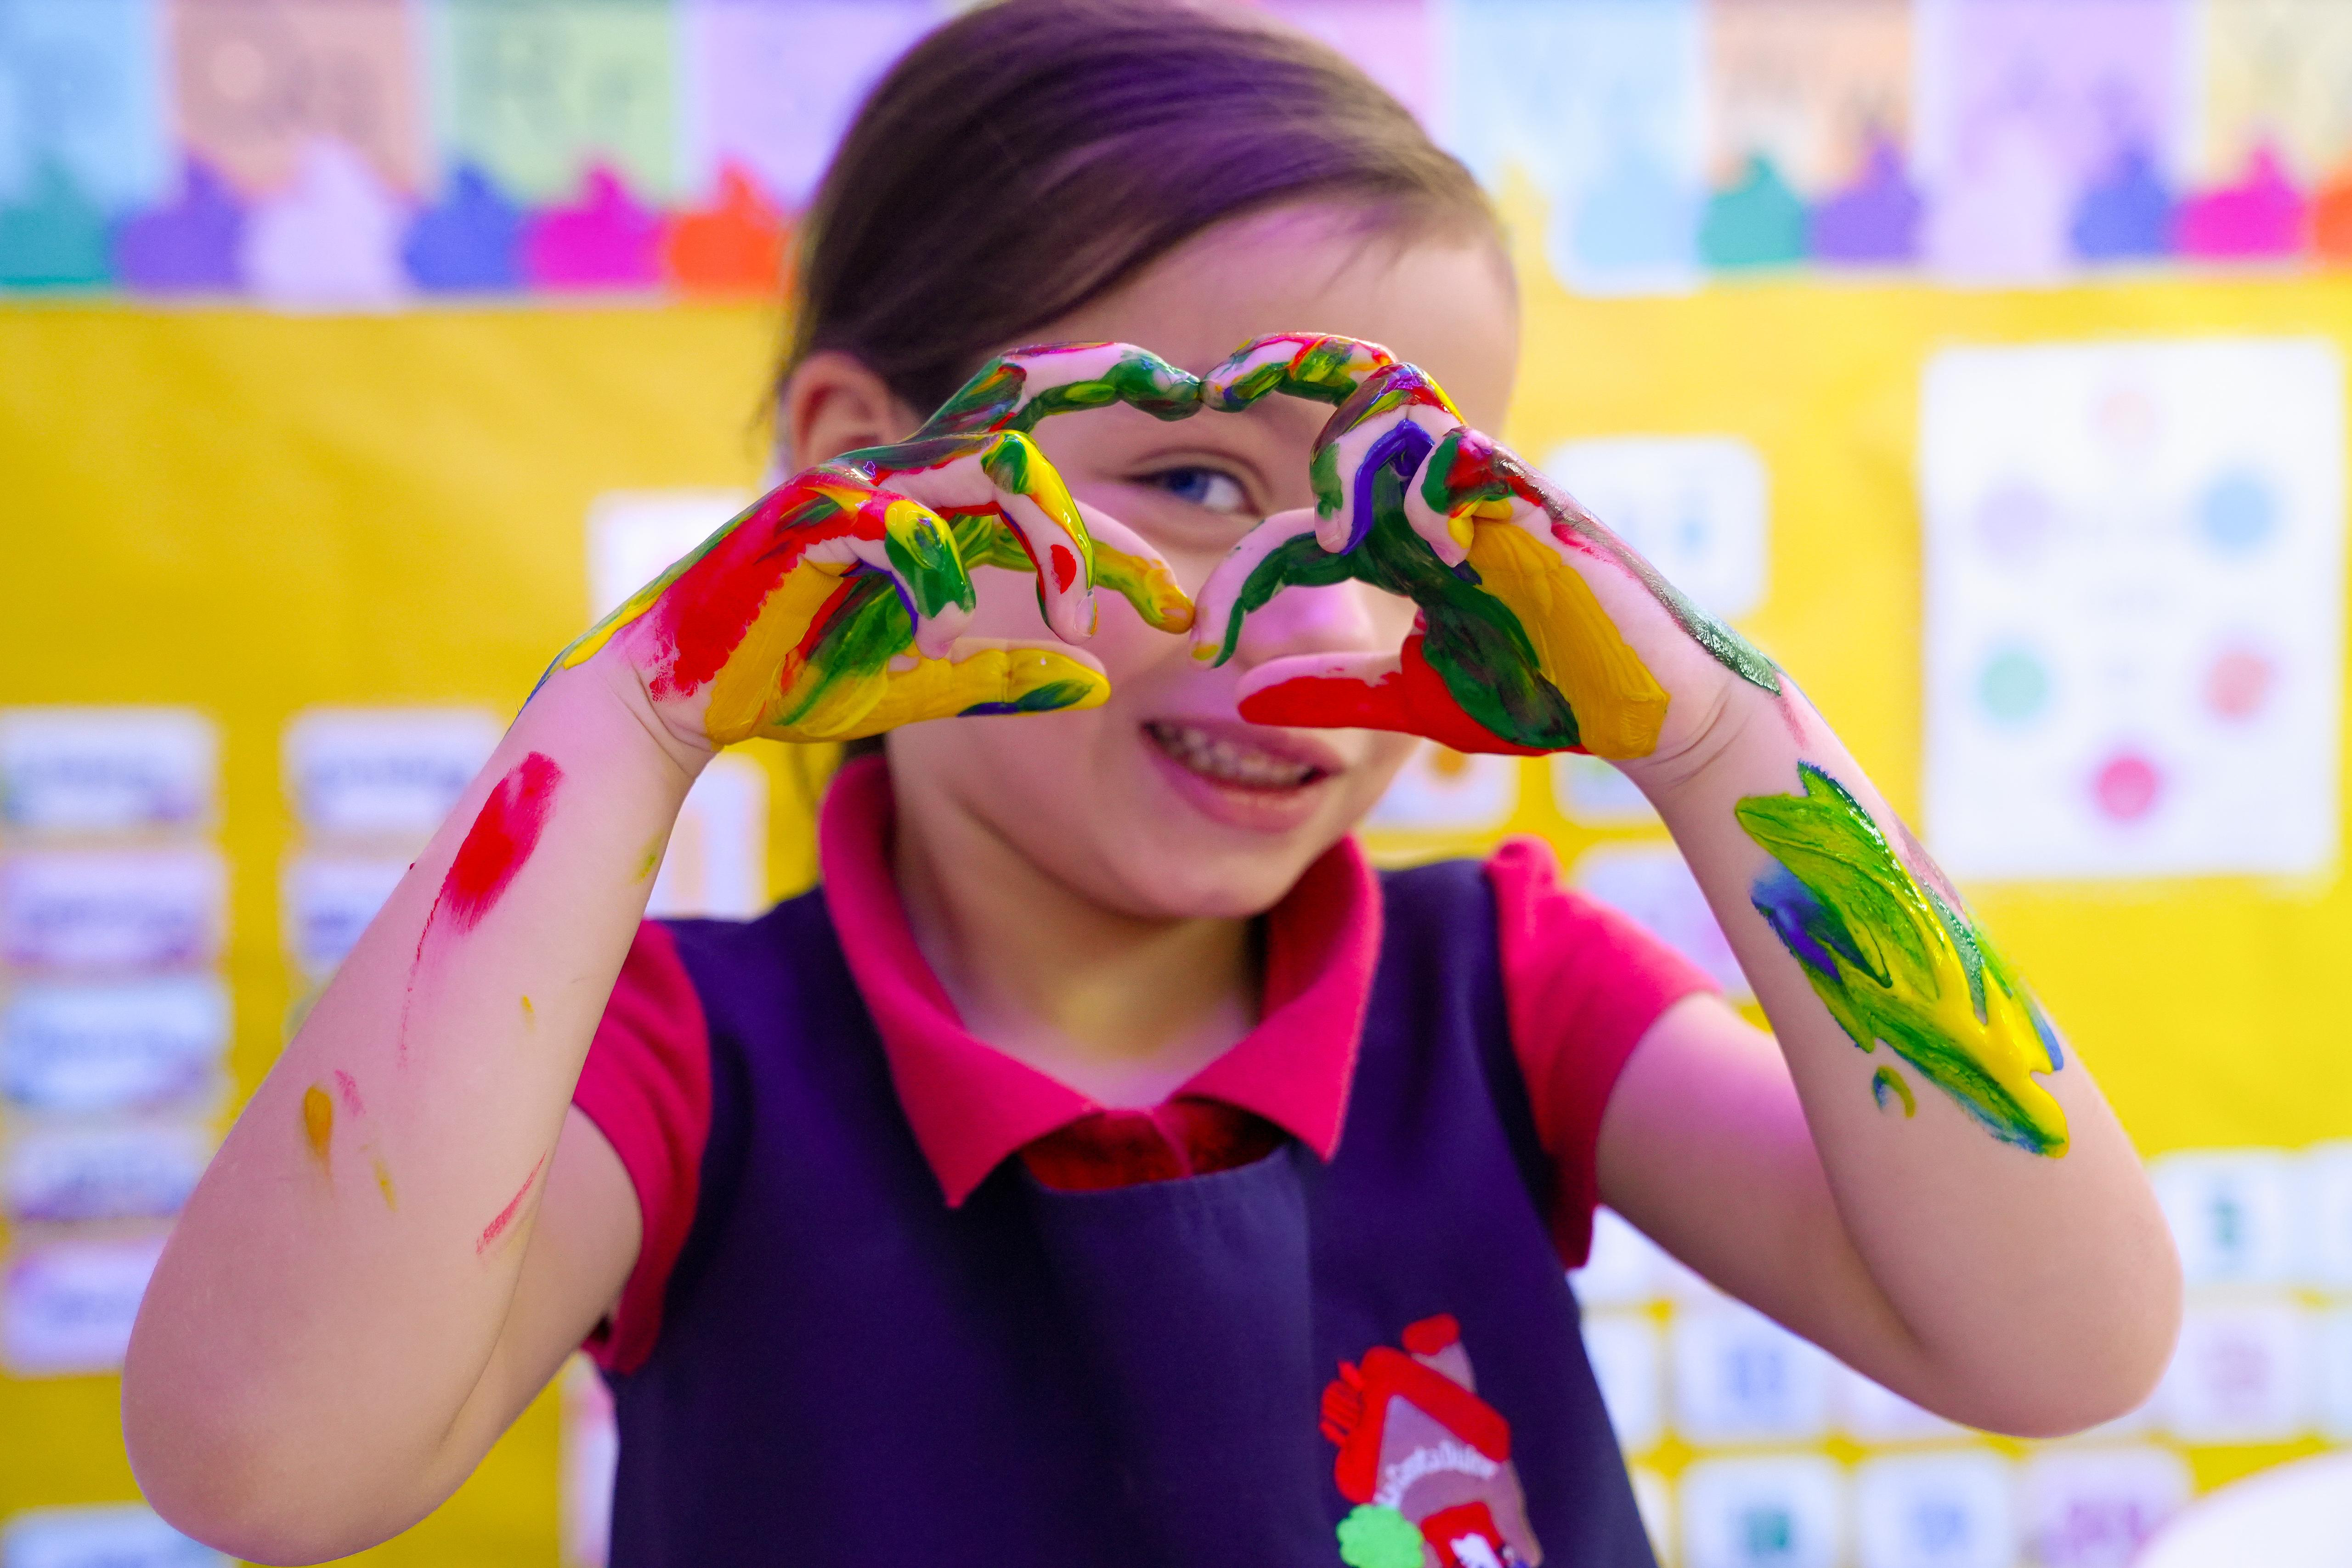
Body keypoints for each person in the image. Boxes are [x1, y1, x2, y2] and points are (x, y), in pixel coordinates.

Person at [123, 3, 2181, 1564]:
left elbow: (2055, 1345)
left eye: (1407, 527)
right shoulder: (681, 1063)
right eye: (1192, 484)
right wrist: (633, 709)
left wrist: (1725, 737)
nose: (1313, 634)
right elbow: (262, 1465)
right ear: (854, 474)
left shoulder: (1508, 1000)